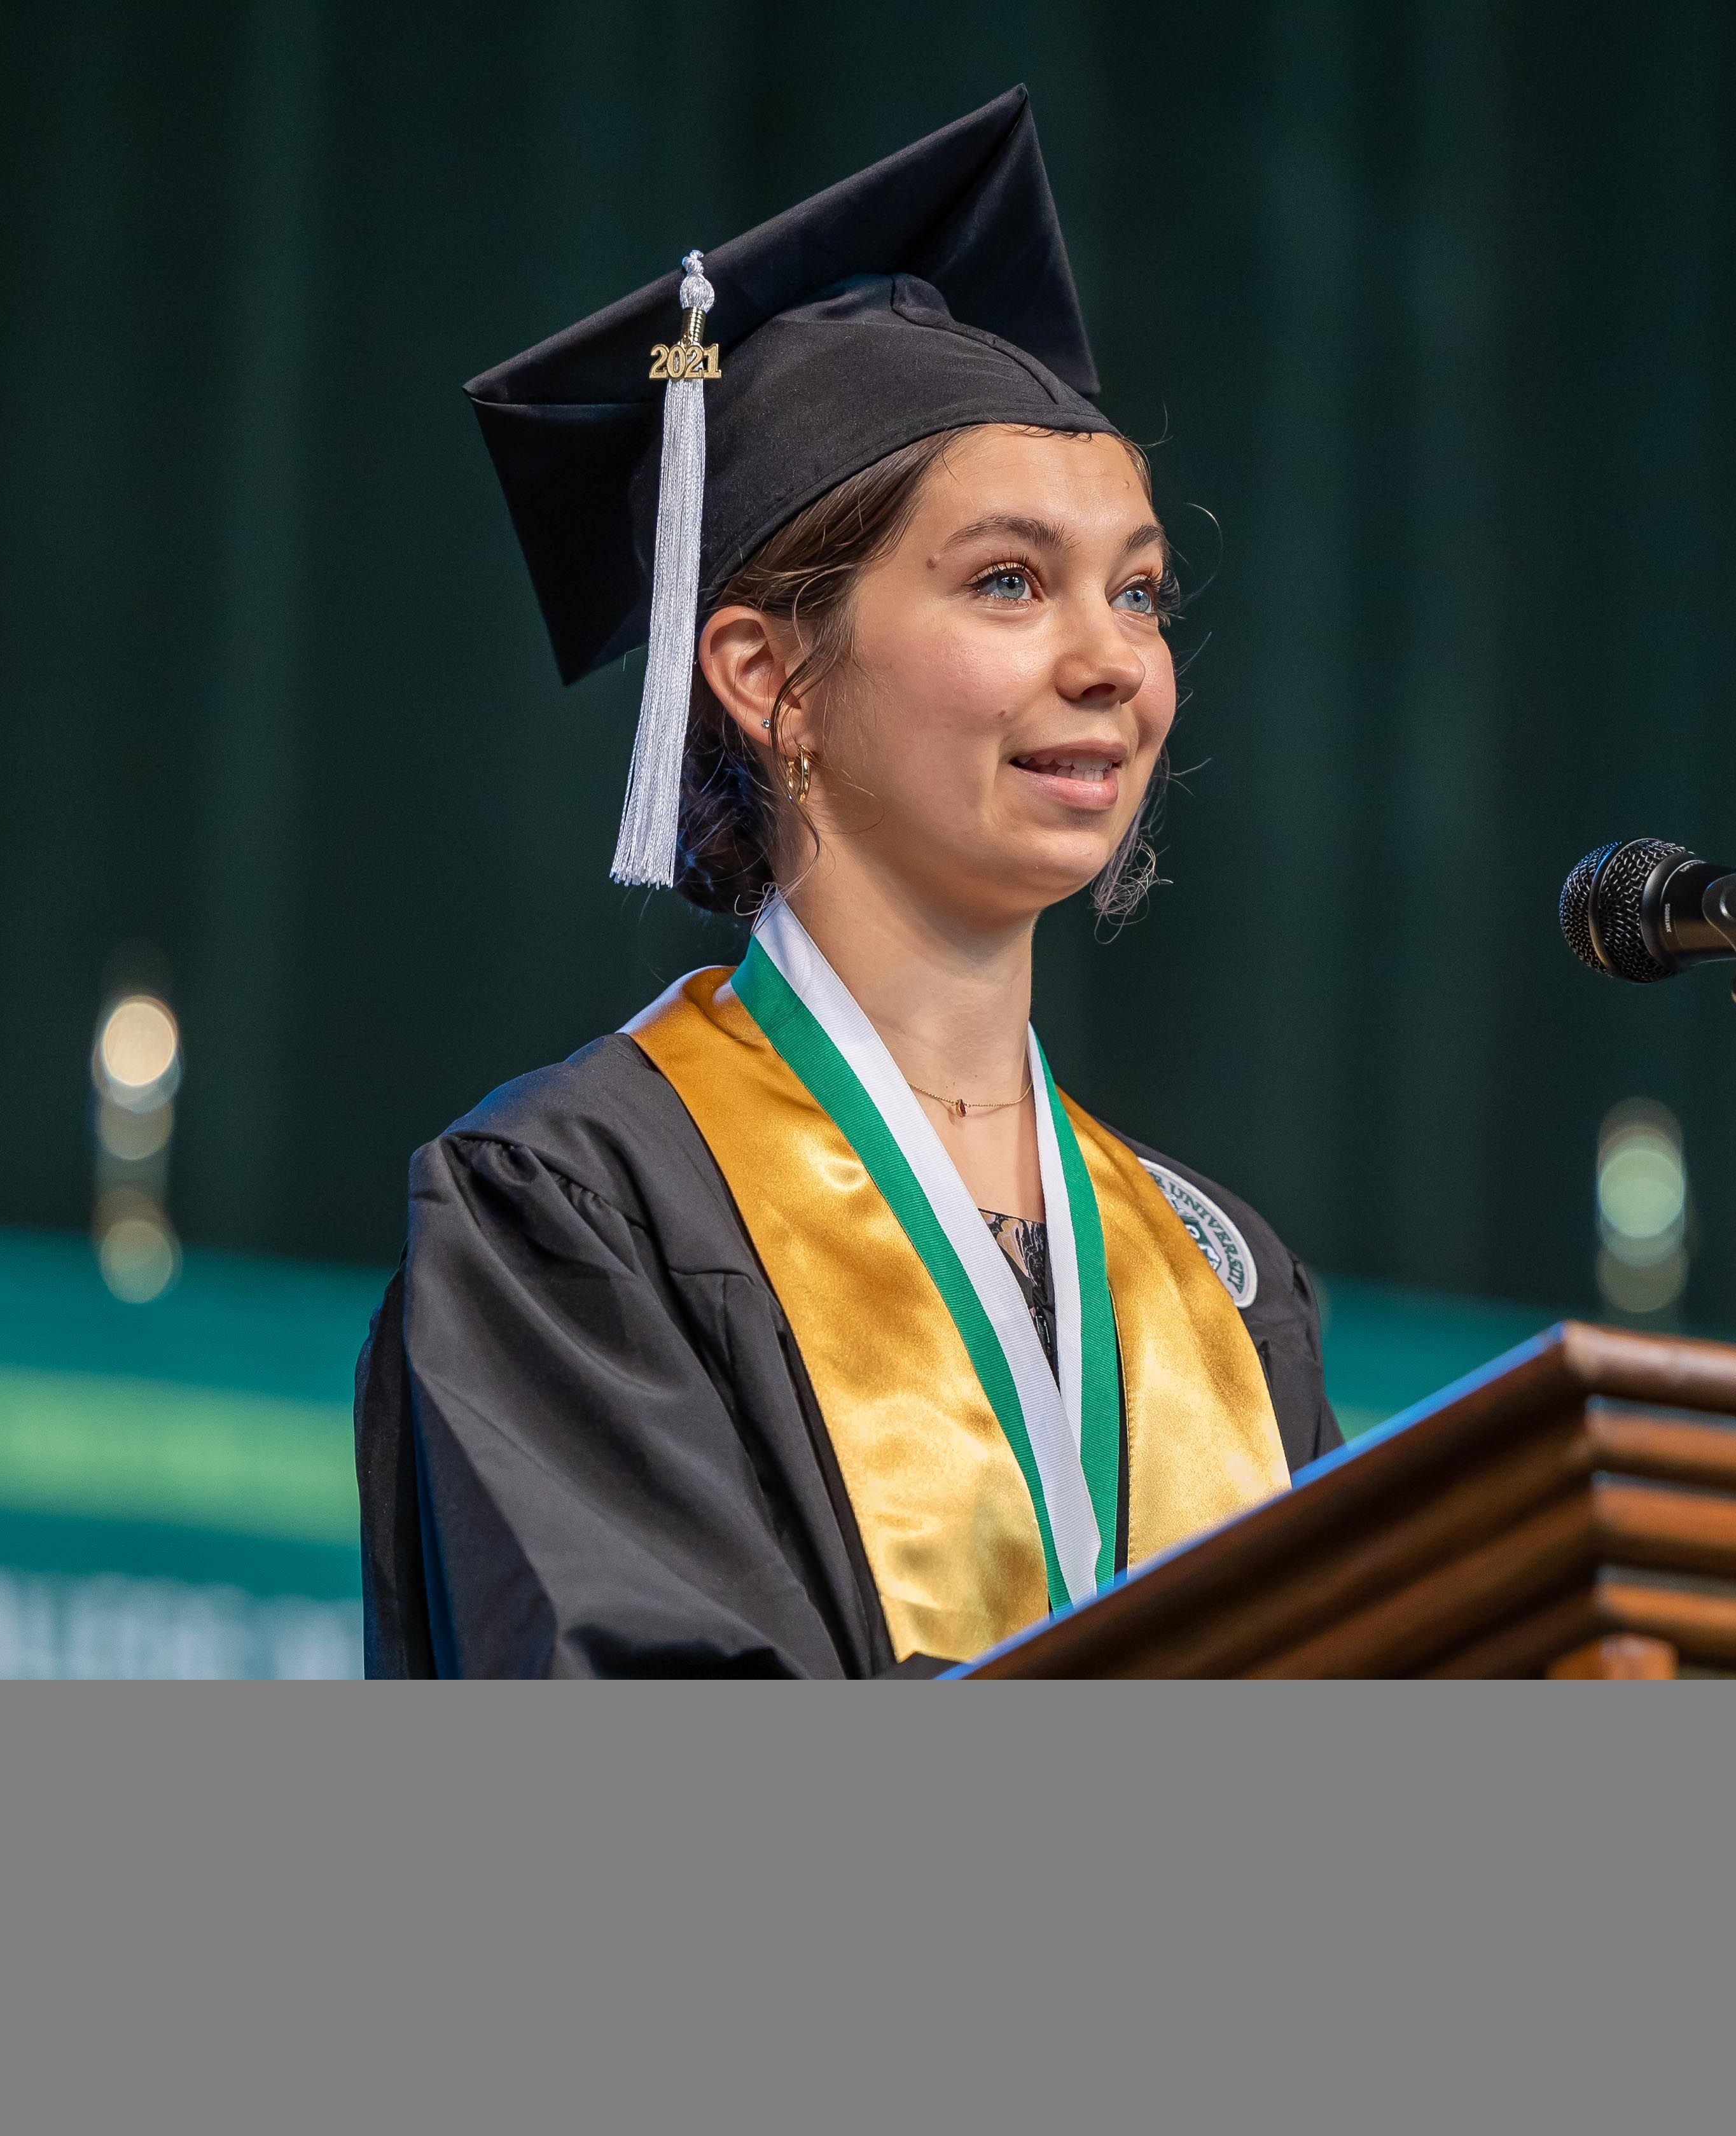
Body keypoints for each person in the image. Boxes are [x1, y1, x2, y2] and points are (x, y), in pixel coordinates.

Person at [358, 90, 1337, 1678]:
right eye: (1010, 582)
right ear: (767, 676)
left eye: (1140, 592)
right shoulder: (577, 1215)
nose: (1114, 665)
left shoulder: (1214, 1268)